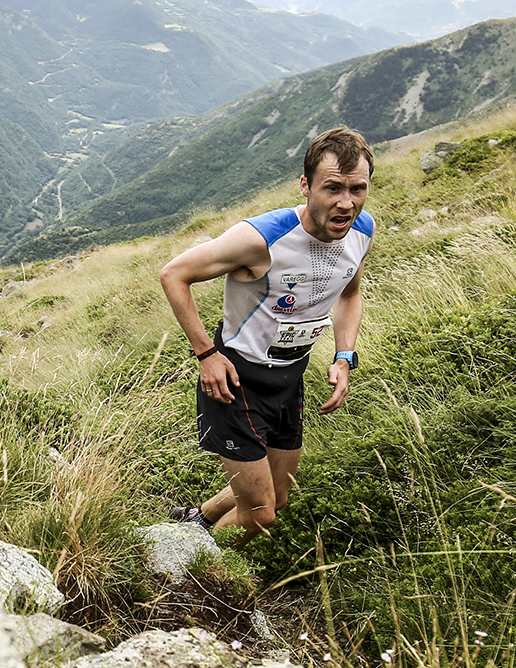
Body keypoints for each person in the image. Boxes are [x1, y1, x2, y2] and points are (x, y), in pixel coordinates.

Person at [158, 126, 374, 547]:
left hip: (289, 378)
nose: (346, 203)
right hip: (235, 381)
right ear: (305, 185)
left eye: (357, 189)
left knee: (279, 495)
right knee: (260, 514)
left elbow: (350, 292)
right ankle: (194, 578)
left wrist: (344, 355)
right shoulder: (261, 239)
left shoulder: (362, 230)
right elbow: (174, 274)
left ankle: (196, 519)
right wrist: (206, 354)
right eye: (332, 188)